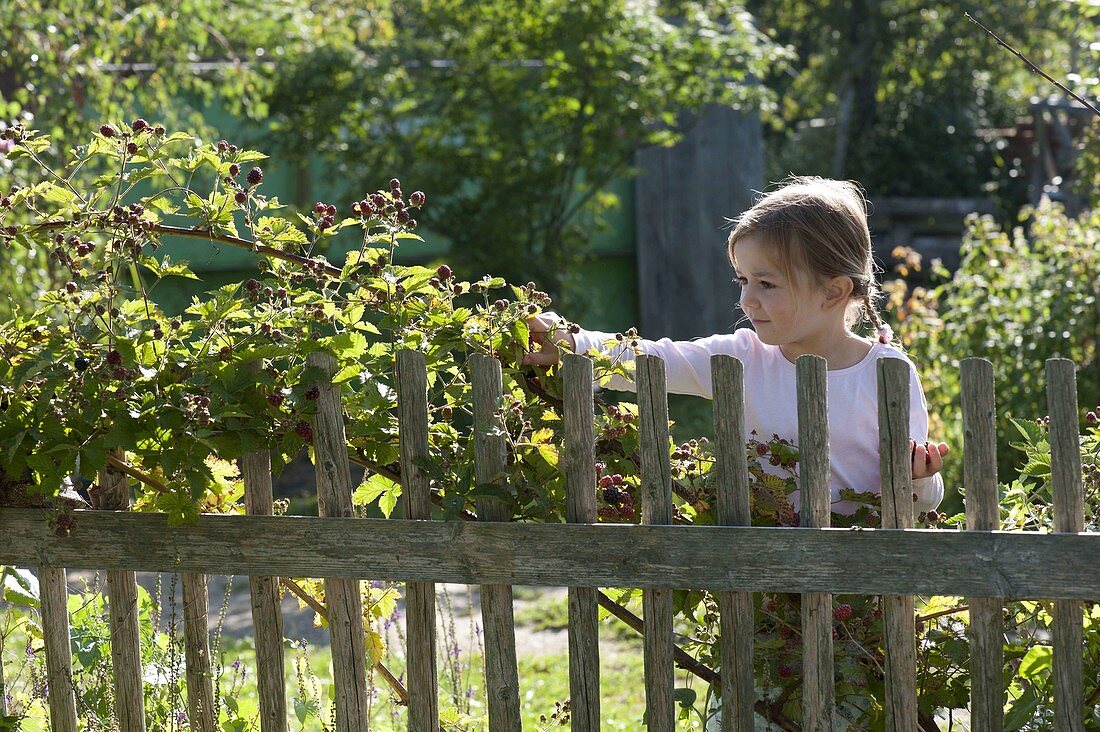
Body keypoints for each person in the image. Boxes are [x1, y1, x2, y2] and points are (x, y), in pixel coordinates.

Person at [522, 176, 948, 515]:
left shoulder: (887, 372)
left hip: (860, 596)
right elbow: (654, 359)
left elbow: (924, 502)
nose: (747, 299)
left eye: (766, 284)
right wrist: (573, 342)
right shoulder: (744, 358)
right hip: (762, 588)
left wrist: (918, 478)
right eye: (743, 280)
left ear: (833, 292)